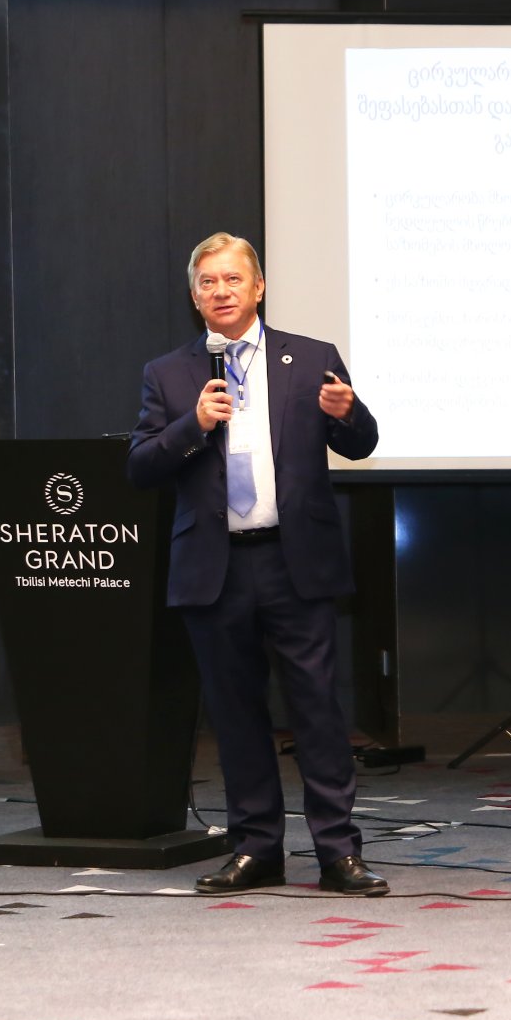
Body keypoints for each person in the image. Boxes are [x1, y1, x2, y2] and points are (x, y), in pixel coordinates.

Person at [126, 232, 387, 897]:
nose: (221, 291)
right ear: (194, 296)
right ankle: (255, 847)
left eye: (232, 279)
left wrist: (349, 413)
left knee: (318, 710)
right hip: (215, 568)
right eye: (208, 282)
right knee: (236, 714)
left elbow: (361, 444)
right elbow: (141, 464)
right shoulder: (169, 373)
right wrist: (192, 425)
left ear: (259, 286)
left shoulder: (313, 357)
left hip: (295, 561)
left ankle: (338, 851)